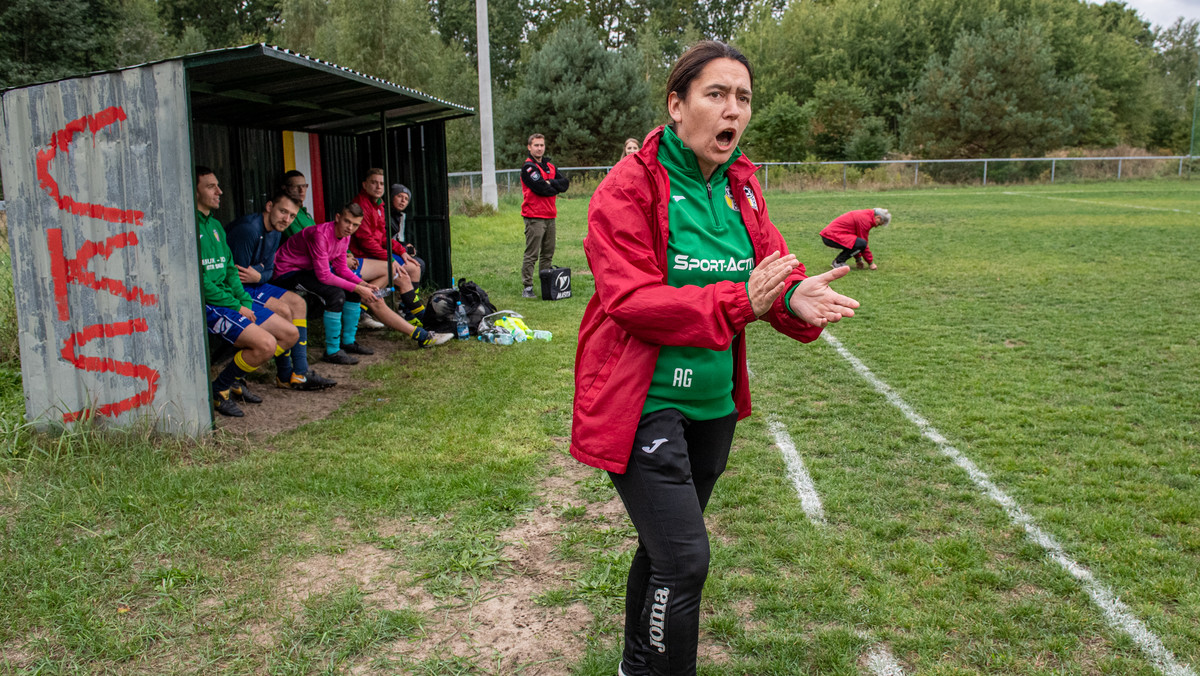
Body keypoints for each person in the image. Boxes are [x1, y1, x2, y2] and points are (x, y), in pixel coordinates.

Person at [571, 41, 860, 676]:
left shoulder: (743, 189)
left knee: (663, 551)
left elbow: (769, 278)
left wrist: (794, 298)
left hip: (713, 403)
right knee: (683, 559)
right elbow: (631, 299)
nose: (733, 110)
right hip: (642, 403)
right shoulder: (629, 186)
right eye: (716, 94)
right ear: (676, 104)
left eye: (744, 98)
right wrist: (743, 301)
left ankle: (634, 667)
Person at [273, 202, 452, 359]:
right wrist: (359, 288)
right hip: (286, 271)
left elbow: (342, 268)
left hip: (306, 269)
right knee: (335, 294)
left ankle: (349, 342)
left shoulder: (345, 236)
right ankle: (332, 351)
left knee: (352, 289)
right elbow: (324, 276)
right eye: (347, 221)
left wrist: (363, 284)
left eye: (355, 225)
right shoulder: (320, 235)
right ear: (337, 218)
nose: (350, 227)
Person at [195, 167, 299, 418]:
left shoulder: (216, 225)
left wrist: (243, 300)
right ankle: (219, 391)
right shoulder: (188, 225)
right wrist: (235, 304)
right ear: (194, 189)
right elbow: (199, 282)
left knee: (289, 334)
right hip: (209, 304)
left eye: (218, 185)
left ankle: (234, 378)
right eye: (211, 186)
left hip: (231, 299)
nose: (219, 191)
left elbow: (231, 270)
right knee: (266, 344)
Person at [226, 189, 336, 391]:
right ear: (269, 207)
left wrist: (259, 274)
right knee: (284, 310)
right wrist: (260, 273)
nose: (287, 219)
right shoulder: (249, 230)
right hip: (237, 290)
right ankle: (284, 374)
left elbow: (269, 270)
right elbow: (237, 278)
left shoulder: (276, 230)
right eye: (283, 212)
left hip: (255, 283)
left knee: (298, 303)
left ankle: (300, 372)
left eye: (292, 215)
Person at [351, 168, 426, 329]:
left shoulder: (379, 205)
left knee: (414, 267)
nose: (378, 187)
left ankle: (408, 311)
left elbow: (384, 237)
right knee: (403, 274)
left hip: (375, 257)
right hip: (362, 258)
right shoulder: (361, 206)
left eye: (381, 184)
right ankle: (421, 317)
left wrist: (401, 251)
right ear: (365, 185)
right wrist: (390, 259)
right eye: (374, 182)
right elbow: (366, 243)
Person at [520, 133, 570, 298]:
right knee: (532, 254)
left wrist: (551, 183)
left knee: (548, 253)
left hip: (550, 216)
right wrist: (551, 185)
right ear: (529, 147)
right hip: (534, 216)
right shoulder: (528, 168)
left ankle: (547, 286)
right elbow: (541, 188)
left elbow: (565, 184)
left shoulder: (550, 166)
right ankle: (527, 287)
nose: (539, 148)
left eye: (542, 145)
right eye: (536, 145)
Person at [819, 208, 891, 270]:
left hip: (830, 235)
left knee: (859, 243)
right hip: (831, 236)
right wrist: (871, 263)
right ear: (878, 217)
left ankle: (839, 261)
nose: (876, 226)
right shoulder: (865, 220)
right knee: (862, 243)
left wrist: (858, 259)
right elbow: (862, 244)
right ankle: (838, 262)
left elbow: (856, 242)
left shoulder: (866, 215)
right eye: (879, 224)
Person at [388, 183, 424, 285]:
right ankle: (407, 295)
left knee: (419, 262)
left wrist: (407, 245)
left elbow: (400, 237)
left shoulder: (402, 216)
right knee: (417, 265)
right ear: (391, 198)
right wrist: (404, 248)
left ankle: (409, 295)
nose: (403, 201)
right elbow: (385, 239)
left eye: (406, 199)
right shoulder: (385, 214)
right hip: (386, 253)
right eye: (399, 196)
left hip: (396, 250)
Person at [280, 170, 316, 240]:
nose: (301, 190)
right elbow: (302, 243)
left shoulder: (305, 214)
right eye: (296, 186)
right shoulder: (288, 215)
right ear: (285, 188)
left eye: (304, 186)